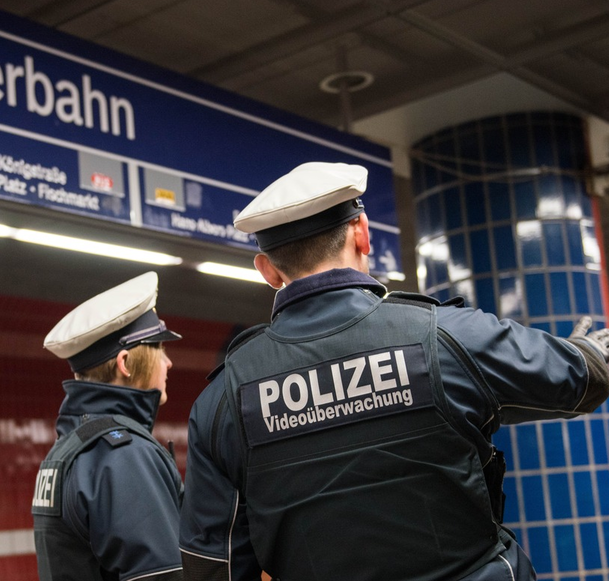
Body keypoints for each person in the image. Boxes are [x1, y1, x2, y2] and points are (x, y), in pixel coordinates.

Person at [178, 162, 609, 581]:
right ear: (363, 233)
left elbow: (214, 565)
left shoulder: (223, 401)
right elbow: (582, 380)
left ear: (268, 270)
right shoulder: (447, 339)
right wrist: (589, 352)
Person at [32, 271, 185, 581]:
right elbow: (161, 575)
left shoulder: (67, 451)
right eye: (159, 349)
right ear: (126, 363)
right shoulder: (124, 456)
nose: (168, 363)